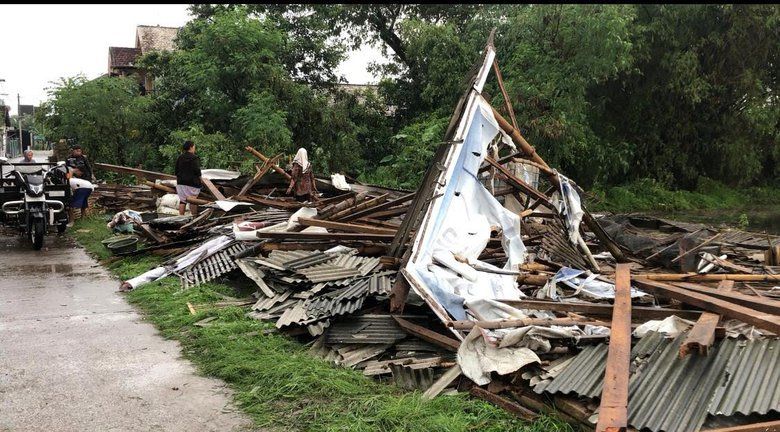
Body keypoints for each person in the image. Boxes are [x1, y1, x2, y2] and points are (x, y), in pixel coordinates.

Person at [175, 140, 202, 216]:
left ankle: (180, 217)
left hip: (181, 183)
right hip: (192, 184)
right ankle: (194, 217)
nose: (194, 148)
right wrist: (200, 179)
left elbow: (176, 171)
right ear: (191, 147)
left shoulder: (180, 157)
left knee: (182, 201)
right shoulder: (194, 158)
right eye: (194, 147)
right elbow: (197, 171)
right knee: (193, 200)